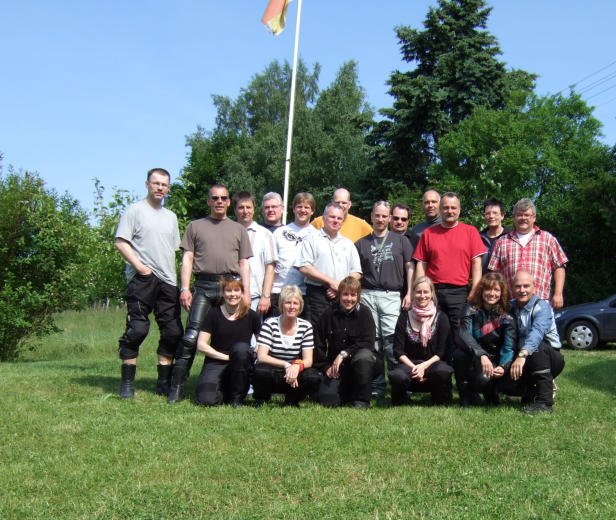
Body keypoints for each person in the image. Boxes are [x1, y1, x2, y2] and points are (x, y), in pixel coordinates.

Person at [167, 184, 253, 403]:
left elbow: (244, 263)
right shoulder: (195, 226)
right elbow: (187, 258)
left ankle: (235, 386)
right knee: (191, 337)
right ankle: (177, 387)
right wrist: (185, 288)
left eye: (223, 198)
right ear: (208, 201)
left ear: (228, 202)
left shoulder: (239, 229)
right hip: (203, 286)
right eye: (215, 198)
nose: (219, 201)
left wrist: (246, 292)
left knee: (236, 337)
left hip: (230, 286)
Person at [115, 167, 183, 399]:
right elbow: (121, 242)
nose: (160, 188)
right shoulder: (135, 210)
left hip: (168, 280)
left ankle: (163, 383)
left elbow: (172, 250)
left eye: (164, 185)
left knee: (172, 332)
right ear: (147, 185)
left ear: (168, 188)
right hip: (143, 279)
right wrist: (140, 268)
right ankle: (127, 384)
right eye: (156, 183)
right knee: (138, 329)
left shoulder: (171, 217)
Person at [413, 192, 486, 352]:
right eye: (446, 207)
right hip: (433, 292)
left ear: (459, 210)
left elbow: (477, 264)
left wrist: (475, 290)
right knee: (432, 332)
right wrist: (418, 290)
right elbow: (421, 264)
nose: (450, 211)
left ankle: (459, 367)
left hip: (458, 293)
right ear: (440, 210)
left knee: (459, 334)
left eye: (453, 208)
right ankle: (434, 366)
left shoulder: (470, 232)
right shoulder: (429, 233)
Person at [355, 201, 414, 397]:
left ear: (389, 218)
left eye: (384, 216)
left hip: (391, 295)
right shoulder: (361, 243)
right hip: (368, 294)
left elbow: (410, 268)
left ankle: (399, 385)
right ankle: (377, 387)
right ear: (371, 216)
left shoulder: (401, 241)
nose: (380, 219)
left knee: (392, 342)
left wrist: (409, 293)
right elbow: (355, 272)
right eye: (377, 215)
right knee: (373, 343)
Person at [488, 198, 568, 309]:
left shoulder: (547, 239)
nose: (523, 218)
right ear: (514, 217)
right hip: (510, 304)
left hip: (540, 303)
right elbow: (494, 274)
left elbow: (559, 266)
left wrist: (558, 294)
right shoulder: (502, 242)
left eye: (527, 215)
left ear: (534, 217)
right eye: (519, 215)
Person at [194, 277, 261, 407]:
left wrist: (252, 355)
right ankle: (225, 391)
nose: (232, 294)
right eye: (228, 290)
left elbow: (262, 343)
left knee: (241, 349)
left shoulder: (252, 315)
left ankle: (237, 398)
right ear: (223, 293)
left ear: (242, 293)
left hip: (241, 361)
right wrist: (225, 357)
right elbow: (201, 345)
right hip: (216, 360)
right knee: (206, 400)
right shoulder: (213, 313)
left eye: (236, 290)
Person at [312, 276, 377, 408]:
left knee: (364, 356)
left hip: (360, 367)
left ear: (358, 296)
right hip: (337, 369)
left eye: (353, 295)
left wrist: (344, 353)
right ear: (339, 295)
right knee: (328, 400)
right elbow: (318, 343)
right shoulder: (329, 313)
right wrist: (325, 367)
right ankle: (346, 392)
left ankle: (362, 400)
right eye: (345, 294)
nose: (349, 299)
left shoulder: (365, 312)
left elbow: (368, 342)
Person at [389, 276, 454, 405]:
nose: (422, 296)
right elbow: (398, 351)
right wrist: (415, 368)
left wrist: (424, 366)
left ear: (432, 293)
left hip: (433, 365)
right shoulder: (404, 317)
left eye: (426, 292)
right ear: (413, 293)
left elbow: (441, 352)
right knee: (397, 376)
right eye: (419, 292)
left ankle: (439, 397)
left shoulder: (442, 317)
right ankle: (401, 399)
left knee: (443, 371)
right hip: (409, 366)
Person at [454, 273, 517, 406]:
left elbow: (509, 346)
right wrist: (481, 355)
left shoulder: (507, 316)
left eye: (496, 290)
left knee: (484, 380)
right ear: (481, 291)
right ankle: (465, 397)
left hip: (495, 358)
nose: (492, 293)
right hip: (474, 356)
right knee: (459, 355)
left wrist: (503, 366)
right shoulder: (469, 309)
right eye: (488, 289)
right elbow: (465, 335)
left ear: (502, 293)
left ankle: (491, 392)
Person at [508, 270, 565, 414]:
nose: (522, 290)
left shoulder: (542, 307)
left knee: (537, 348)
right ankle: (530, 392)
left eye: (526, 286)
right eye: (518, 286)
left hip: (548, 357)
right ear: (512, 288)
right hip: (522, 356)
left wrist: (522, 355)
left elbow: (537, 334)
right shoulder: (510, 307)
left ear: (534, 287)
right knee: (503, 384)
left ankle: (545, 403)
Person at [253, 285, 321, 406]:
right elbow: (261, 356)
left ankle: (292, 400)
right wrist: (286, 365)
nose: (291, 307)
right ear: (281, 304)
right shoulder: (270, 324)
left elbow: (308, 360)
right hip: (273, 371)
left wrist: (297, 367)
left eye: (295, 303)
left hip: (293, 374)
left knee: (313, 377)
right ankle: (262, 398)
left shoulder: (306, 326)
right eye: (288, 303)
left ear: (300, 306)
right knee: (260, 371)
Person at [297, 203, 362, 324]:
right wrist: (331, 282)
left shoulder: (348, 243)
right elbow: (304, 267)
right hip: (317, 295)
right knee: (318, 331)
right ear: (324, 218)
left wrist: (340, 286)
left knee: (341, 330)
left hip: (342, 296)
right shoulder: (311, 239)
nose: (336, 221)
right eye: (332, 217)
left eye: (339, 218)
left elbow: (357, 271)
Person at [270, 192, 317, 317]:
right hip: (278, 291)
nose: (303, 210)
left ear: (312, 211)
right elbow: (270, 264)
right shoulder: (280, 232)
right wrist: (266, 293)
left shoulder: (317, 235)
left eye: (307, 207)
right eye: (299, 206)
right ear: (293, 209)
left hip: (304, 293)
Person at [234, 191, 278, 316]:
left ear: (254, 210)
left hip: (254, 297)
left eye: (248, 207)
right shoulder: (227, 232)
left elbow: (270, 267)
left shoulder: (265, 234)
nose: (245, 211)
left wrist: (266, 296)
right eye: (241, 207)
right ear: (235, 210)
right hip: (230, 293)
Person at [479, 198, 510, 275]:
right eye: (488, 213)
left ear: (502, 216)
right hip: (483, 281)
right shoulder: (479, 238)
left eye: (495, 213)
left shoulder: (510, 237)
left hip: (505, 281)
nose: (491, 216)